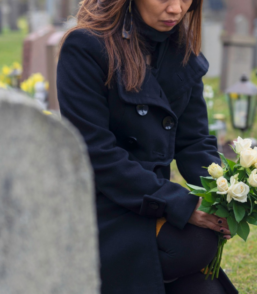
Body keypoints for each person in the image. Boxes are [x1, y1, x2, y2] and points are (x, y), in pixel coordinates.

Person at [56, 0, 238, 293]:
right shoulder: (85, 48)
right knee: (192, 244)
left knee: (201, 247)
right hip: (105, 203)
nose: (177, 9)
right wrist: (180, 204)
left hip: (151, 201)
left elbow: (193, 142)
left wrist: (225, 194)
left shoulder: (181, 54)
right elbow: (96, 154)